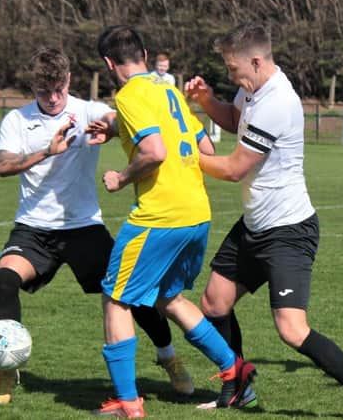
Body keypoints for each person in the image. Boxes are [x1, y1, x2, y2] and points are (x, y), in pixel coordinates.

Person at [184, 22, 343, 420]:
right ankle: (237, 388)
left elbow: (232, 168)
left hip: (288, 230)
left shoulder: (277, 101)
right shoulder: (252, 90)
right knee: (214, 302)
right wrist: (207, 101)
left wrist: (184, 158)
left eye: (233, 68)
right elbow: (235, 120)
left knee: (292, 329)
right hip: (255, 224)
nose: (232, 75)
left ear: (257, 61)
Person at [0, 47, 193, 405]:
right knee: (6, 279)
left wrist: (111, 130)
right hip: (33, 229)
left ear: (68, 80)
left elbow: (119, 119)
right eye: (43, 91)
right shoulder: (17, 120)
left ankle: (169, 357)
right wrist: (47, 152)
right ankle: (6, 368)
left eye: (58, 90)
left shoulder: (86, 111)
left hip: (84, 228)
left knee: (128, 293)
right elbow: (3, 166)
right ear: (33, 85)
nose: (52, 99)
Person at [92, 25, 256, 418]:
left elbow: (154, 151)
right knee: (169, 298)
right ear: (145, 54)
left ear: (108, 63)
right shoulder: (168, 90)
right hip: (196, 211)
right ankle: (234, 367)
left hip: (159, 215)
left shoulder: (128, 94)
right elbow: (205, 145)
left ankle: (128, 402)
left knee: (116, 299)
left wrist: (120, 177)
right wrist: (117, 128)